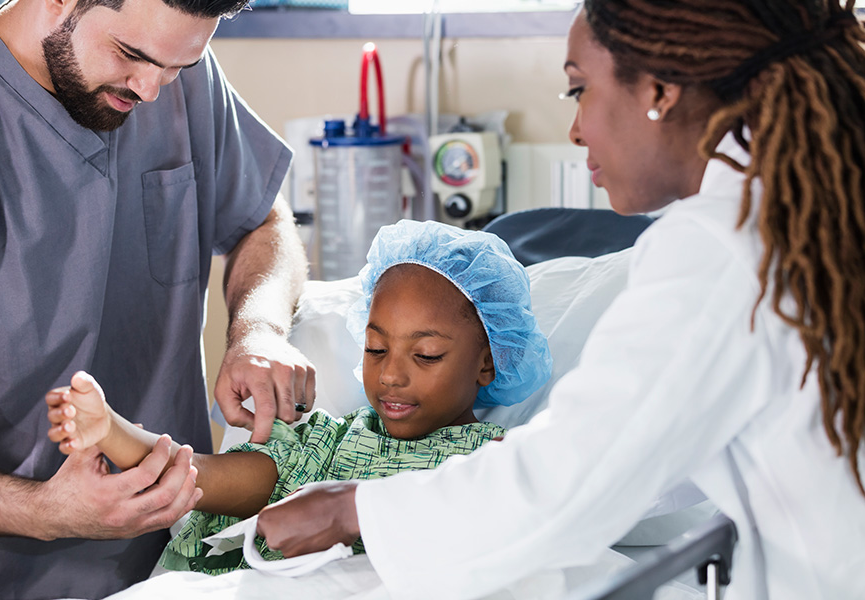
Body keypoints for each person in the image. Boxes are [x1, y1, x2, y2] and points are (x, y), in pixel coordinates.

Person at [253, 1, 865, 599]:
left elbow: (572, 476)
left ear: (659, 91)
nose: (575, 129)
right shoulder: (808, 208)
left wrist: (355, 509)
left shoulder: (717, 246)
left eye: (579, 91)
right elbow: (651, 452)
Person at [0, 0, 315, 595]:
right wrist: (44, 512)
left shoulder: (176, 76)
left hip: (175, 567)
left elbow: (265, 223)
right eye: (131, 56)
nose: (153, 92)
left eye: (177, 67)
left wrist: (258, 330)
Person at [46, 219, 554, 575]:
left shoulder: (494, 463)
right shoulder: (326, 441)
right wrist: (111, 430)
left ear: (487, 360)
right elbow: (204, 476)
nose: (392, 375)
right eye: (376, 348)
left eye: (425, 355)